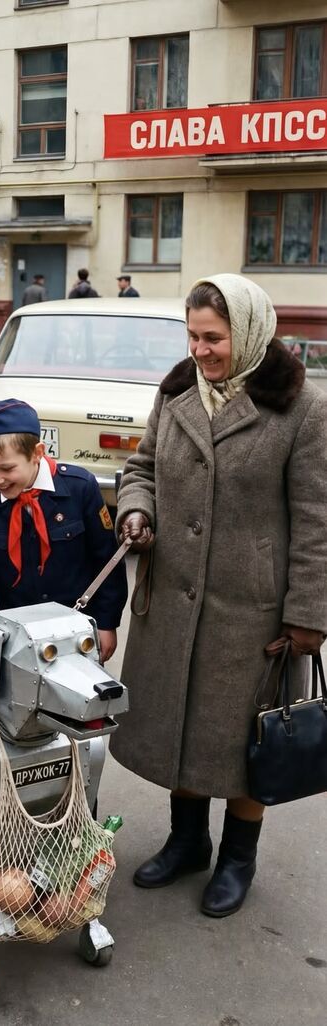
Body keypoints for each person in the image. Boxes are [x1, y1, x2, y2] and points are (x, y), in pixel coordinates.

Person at [113, 274, 327, 918]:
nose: (200, 350)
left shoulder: (301, 409)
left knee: (243, 741)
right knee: (179, 725)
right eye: (193, 336)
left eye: (213, 338)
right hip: (172, 601)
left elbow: (317, 519)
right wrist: (136, 510)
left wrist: (308, 615)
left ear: (251, 332)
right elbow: (141, 468)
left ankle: (237, 858)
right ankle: (187, 842)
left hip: (251, 614)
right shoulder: (177, 389)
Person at [0, 398, 128, 676]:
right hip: (20, 638)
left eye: (7, 469)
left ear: (37, 453)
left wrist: (107, 623)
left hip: (78, 632)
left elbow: (107, 561)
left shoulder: (80, 488)